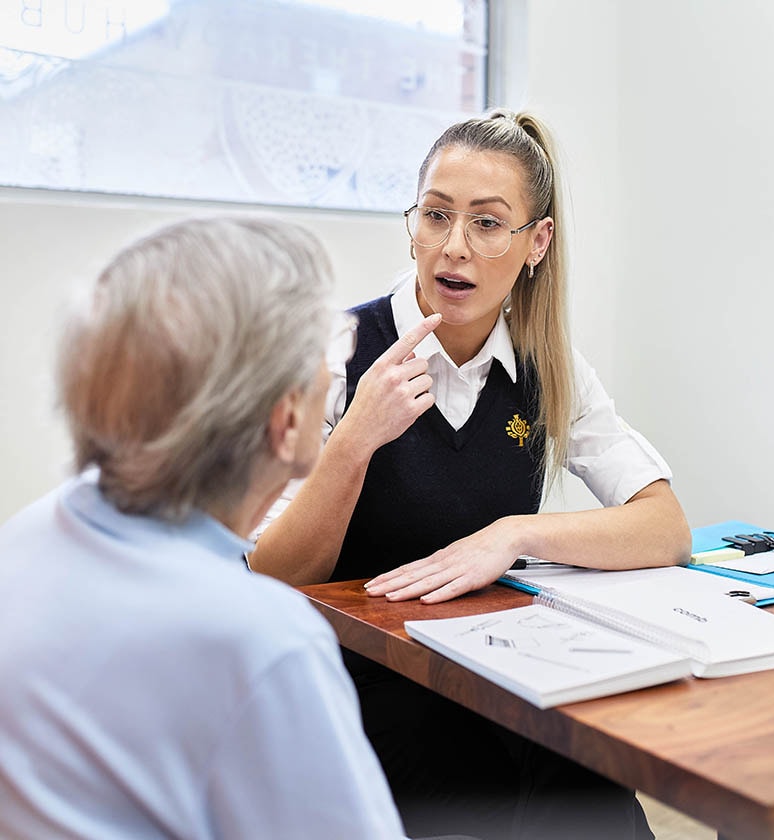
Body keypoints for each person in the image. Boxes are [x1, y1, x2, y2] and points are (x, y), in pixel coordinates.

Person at [250, 110, 691, 839]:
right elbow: (271, 577)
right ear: (412, 226)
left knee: (597, 799)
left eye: (487, 224)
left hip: (501, 675)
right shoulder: (335, 352)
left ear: (536, 242)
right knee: (491, 803)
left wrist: (516, 534)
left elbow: (664, 526)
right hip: (363, 685)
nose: (453, 247)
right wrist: (353, 440)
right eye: (436, 216)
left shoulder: (550, 367)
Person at [0, 217, 412, 839]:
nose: (336, 370)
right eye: (326, 354)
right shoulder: (262, 641)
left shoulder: (28, 536)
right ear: (286, 419)